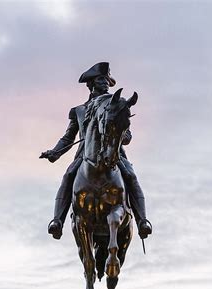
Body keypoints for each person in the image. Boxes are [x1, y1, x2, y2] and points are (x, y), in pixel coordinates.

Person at [40, 62, 152, 240]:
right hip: (85, 155)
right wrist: (55, 152)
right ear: (91, 84)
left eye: (107, 79)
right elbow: (69, 137)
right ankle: (57, 221)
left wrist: (120, 135)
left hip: (114, 153)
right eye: (101, 79)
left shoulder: (117, 104)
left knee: (130, 176)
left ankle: (142, 221)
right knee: (69, 175)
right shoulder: (79, 110)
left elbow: (127, 134)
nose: (106, 82)